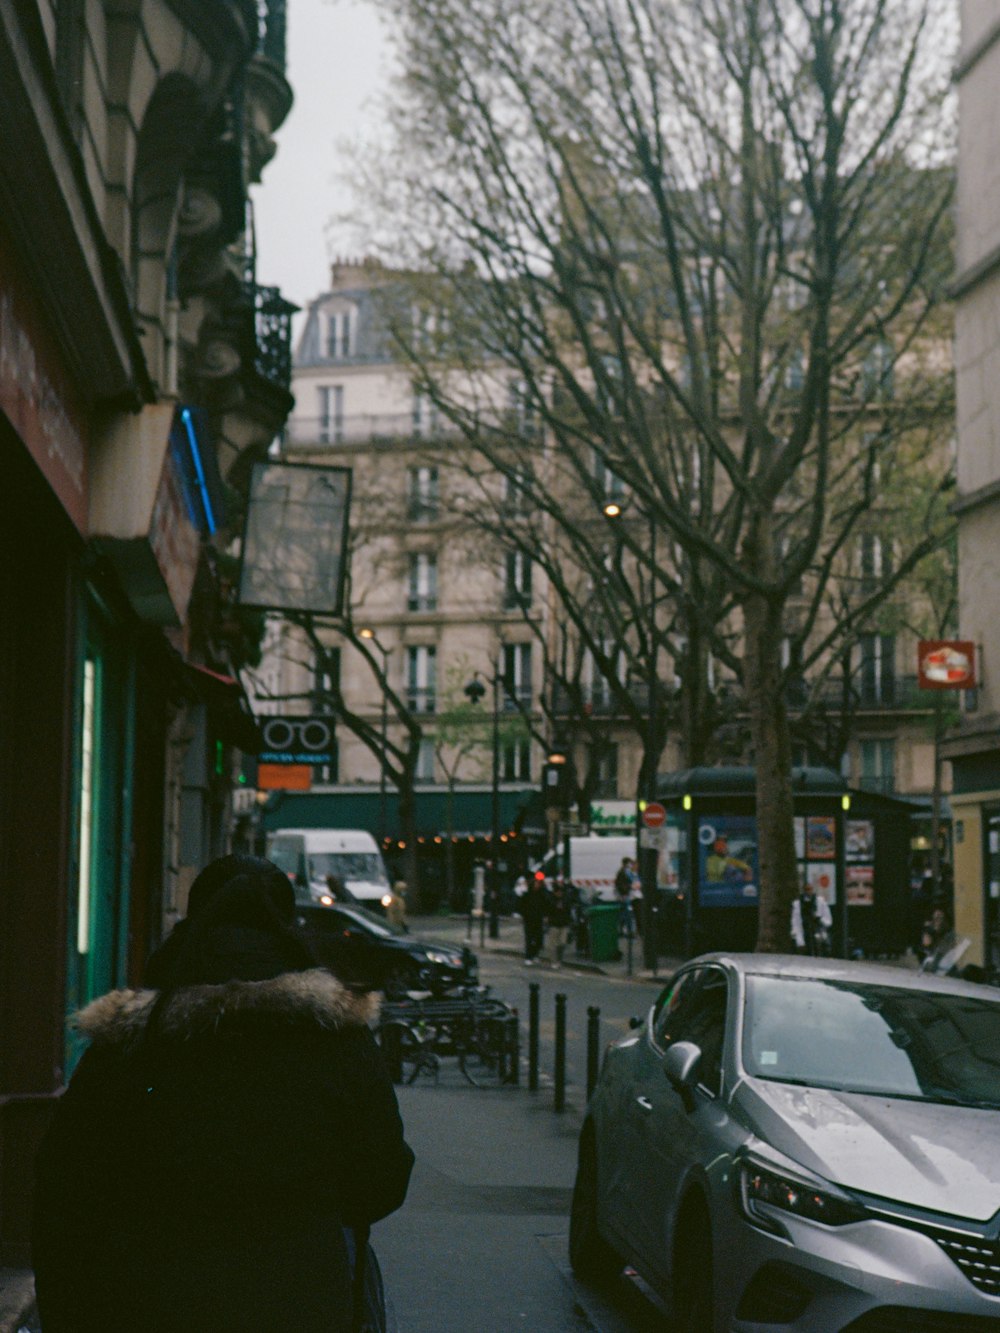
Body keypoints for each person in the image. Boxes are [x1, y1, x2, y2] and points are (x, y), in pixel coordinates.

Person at [32, 854, 414, 1333]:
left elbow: (65, 1185)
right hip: (299, 1295)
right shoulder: (336, 1037)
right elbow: (382, 1177)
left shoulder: (135, 1039)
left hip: (150, 1297)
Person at [791, 880, 833, 955]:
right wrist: (799, 939)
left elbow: (828, 920)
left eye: (810, 889)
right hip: (805, 930)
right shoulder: (798, 904)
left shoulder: (820, 902)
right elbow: (796, 922)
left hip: (818, 929)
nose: (808, 892)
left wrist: (818, 918)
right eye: (806, 889)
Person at [518, 874, 549, 965]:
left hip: (538, 918)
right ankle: (528, 956)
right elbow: (522, 905)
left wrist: (545, 916)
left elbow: (546, 905)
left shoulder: (542, 894)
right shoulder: (527, 894)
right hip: (529, 919)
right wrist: (523, 915)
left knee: (538, 938)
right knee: (529, 938)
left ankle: (535, 954)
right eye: (536, 883)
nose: (537, 885)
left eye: (539, 883)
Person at [547, 878, 572, 968]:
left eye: (560, 892)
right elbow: (548, 911)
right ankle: (554, 961)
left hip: (563, 924)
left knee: (562, 943)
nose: (559, 893)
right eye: (557, 892)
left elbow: (568, 912)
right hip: (554, 924)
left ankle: (559, 959)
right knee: (553, 944)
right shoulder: (551, 900)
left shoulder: (565, 900)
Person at [614, 856, 635, 937]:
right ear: (626, 863)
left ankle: (620, 931)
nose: (630, 865)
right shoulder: (623, 872)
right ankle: (629, 931)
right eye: (629, 863)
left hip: (623, 895)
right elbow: (622, 884)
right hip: (624, 895)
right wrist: (626, 890)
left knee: (623, 914)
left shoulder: (621, 872)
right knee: (627, 914)